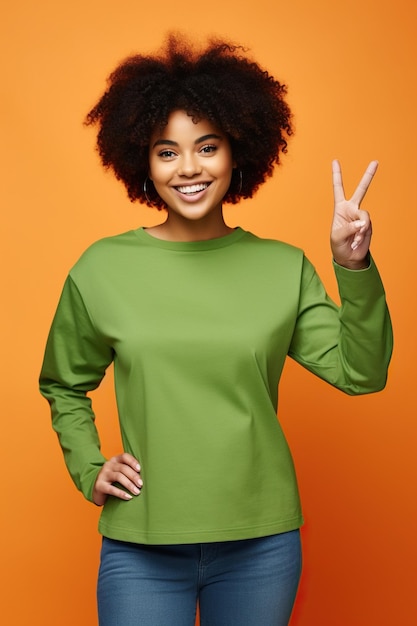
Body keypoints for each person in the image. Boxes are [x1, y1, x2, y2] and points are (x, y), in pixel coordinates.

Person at [39, 34, 393, 626]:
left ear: (237, 153)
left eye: (207, 147)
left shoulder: (283, 268)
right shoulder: (101, 268)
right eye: (167, 151)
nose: (191, 168)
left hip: (262, 545)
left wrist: (352, 265)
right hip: (141, 543)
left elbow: (362, 373)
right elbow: (62, 384)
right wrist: (87, 465)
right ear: (142, 163)